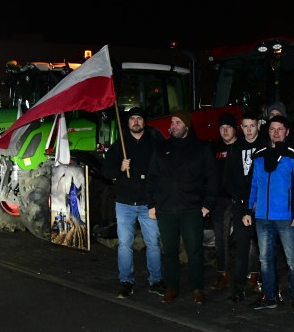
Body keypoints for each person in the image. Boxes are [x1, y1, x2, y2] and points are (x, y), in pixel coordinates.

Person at [147, 110, 217, 305]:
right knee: (169, 251)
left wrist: (207, 205)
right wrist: (151, 204)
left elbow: (212, 178)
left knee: (194, 250)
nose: (173, 126)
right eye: (172, 122)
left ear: (187, 125)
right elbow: (152, 177)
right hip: (166, 210)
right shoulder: (161, 148)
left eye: (178, 122)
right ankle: (172, 287)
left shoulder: (201, 149)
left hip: (191, 210)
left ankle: (197, 288)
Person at [244, 115, 294, 312]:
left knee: (293, 260)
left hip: (287, 217)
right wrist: (248, 210)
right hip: (262, 218)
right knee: (265, 260)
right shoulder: (260, 154)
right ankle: (270, 296)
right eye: (272, 129)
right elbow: (252, 185)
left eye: (280, 129)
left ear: (287, 131)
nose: (276, 132)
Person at [101, 107, 166, 299]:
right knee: (125, 244)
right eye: (132, 119)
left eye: (139, 118)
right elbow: (106, 172)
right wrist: (120, 168)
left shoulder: (154, 144)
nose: (136, 121)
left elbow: (162, 172)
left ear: (144, 122)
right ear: (127, 123)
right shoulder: (119, 145)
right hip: (125, 203)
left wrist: (157, 200)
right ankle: (126, 282)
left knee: (153, 243)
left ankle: (155, 280)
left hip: (148, 204)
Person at [224, 111, 264, 302]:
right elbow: (229, 178)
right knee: (241, 248)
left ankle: (267, 286)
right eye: (245, 126)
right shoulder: (235, 148)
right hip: (241, 206)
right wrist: (241, 201)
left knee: (265, 248)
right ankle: (238, 288)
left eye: (252, 126)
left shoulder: (265, 146)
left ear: (258, 126)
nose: (249, 130)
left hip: (263, 205)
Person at [209, 112, 238, 290]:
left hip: (239, 198)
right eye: (222, 128)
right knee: (220, 238)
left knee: (248, 238)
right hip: (219, 199)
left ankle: (252, 274)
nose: (225, 131)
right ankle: (223, 273)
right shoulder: (214, 148)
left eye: (228, 127)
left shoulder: (242, 146)